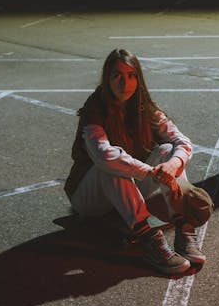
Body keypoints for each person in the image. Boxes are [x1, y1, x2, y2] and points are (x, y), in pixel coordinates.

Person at [64, 48, 207, 276]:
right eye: (117, 76)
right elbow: (104, 155)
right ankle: (146, 237)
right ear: (107, 79)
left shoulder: (143, 106)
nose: (125, 83)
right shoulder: (95, 110)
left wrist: (171, 165)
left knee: (168, 150)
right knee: (111, 163)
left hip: (128, 187)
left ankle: (182, 224)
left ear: (138, 78)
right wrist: (151, 172)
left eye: (131, 75)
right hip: (89, 196)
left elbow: (182, 141)